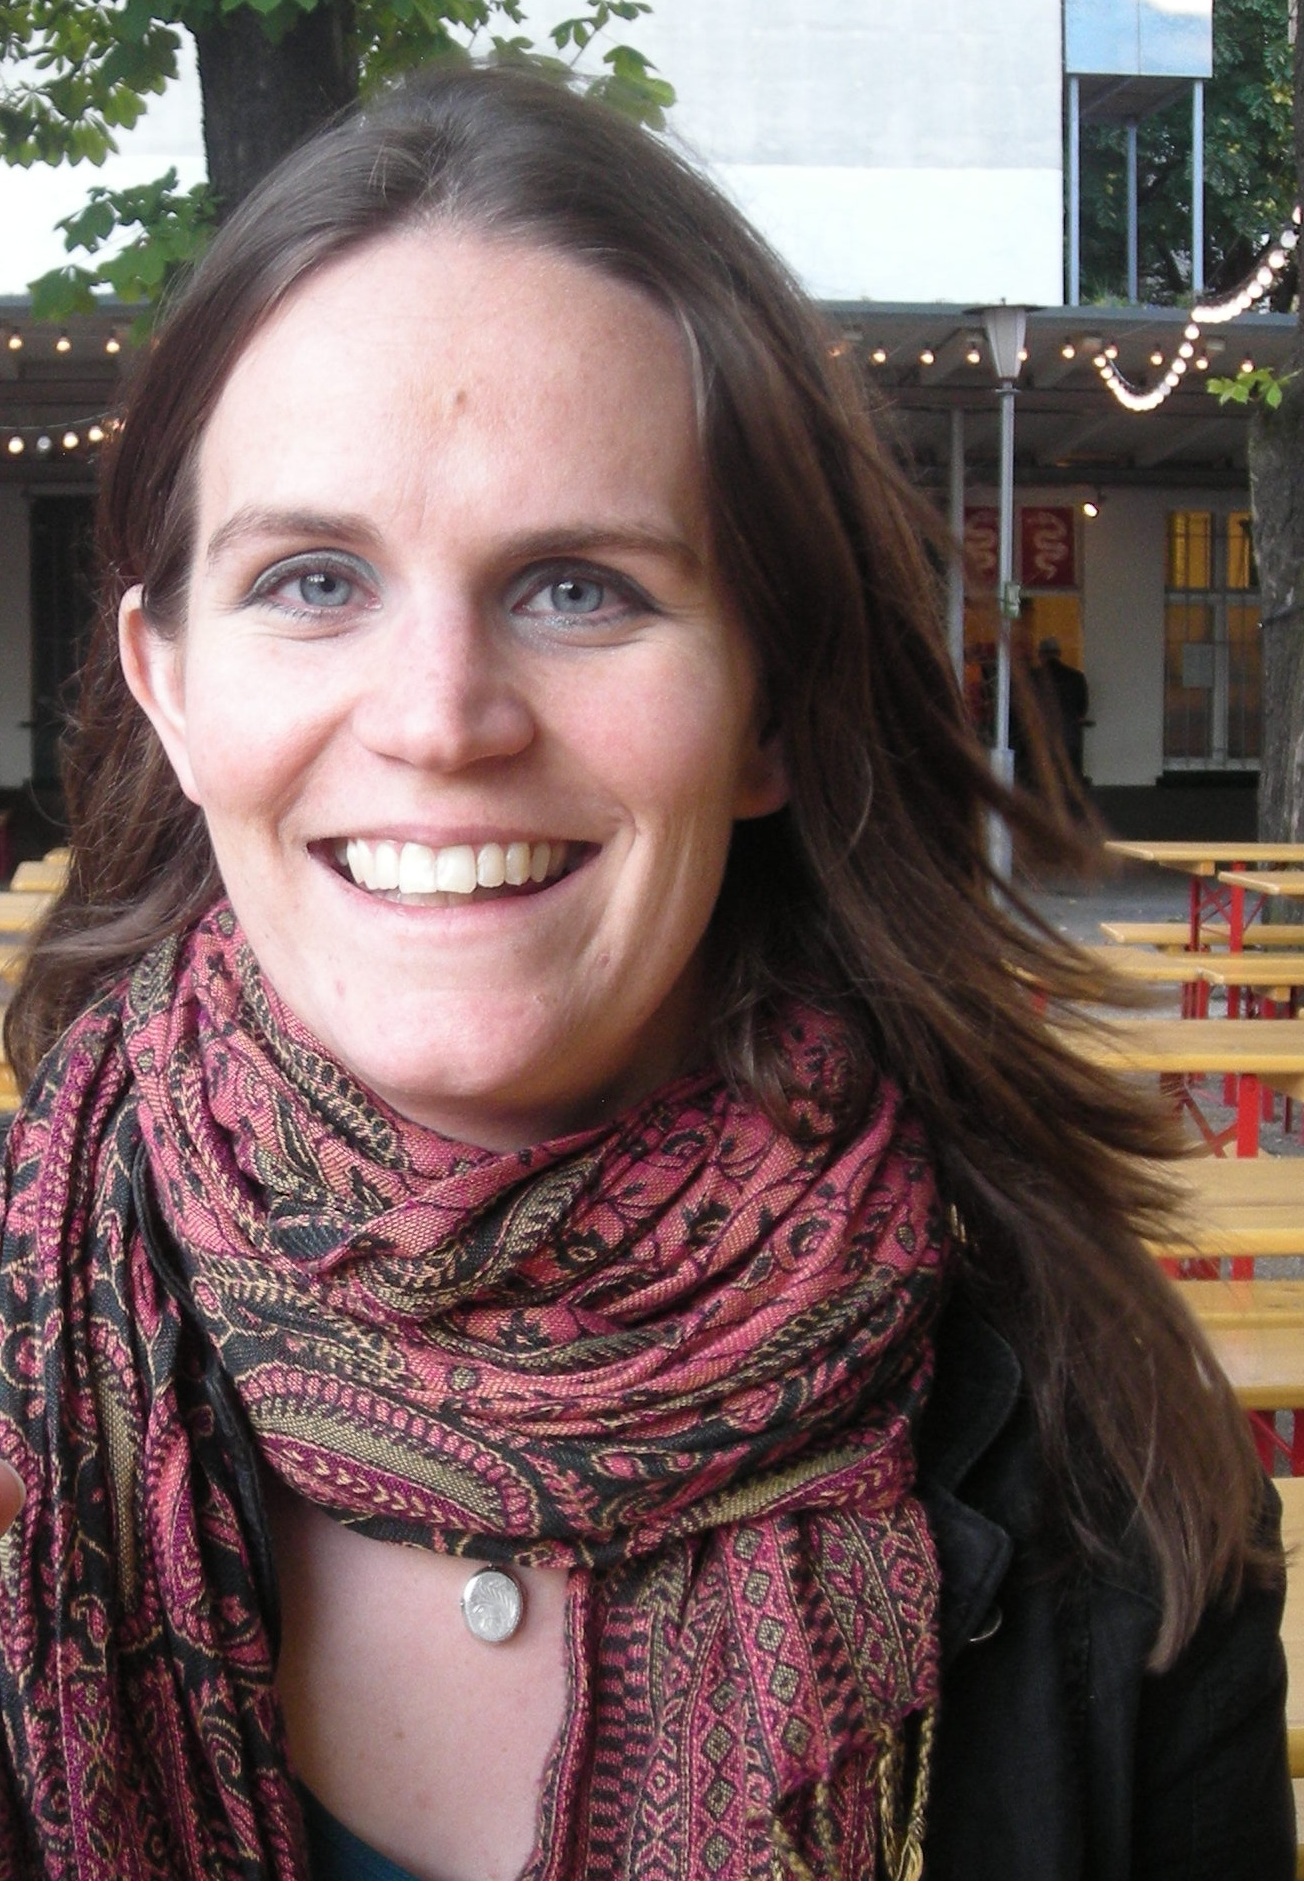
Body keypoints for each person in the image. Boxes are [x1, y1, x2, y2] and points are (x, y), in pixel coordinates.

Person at [0, 64, 1289, 1880]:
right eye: (310, 580)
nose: (440, 717)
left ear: (760, 696)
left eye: (577, 587)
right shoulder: (20, 1337)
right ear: (171, 686)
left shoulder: (1085, 1436)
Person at [1035, 634, 1090, 779]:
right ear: (1059, 653)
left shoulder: (1033, 677)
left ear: (1040, 654)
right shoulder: (1076, 677)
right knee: (1068, 777)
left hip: (1041, 735)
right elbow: (1082, 707)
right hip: (1069, 735)